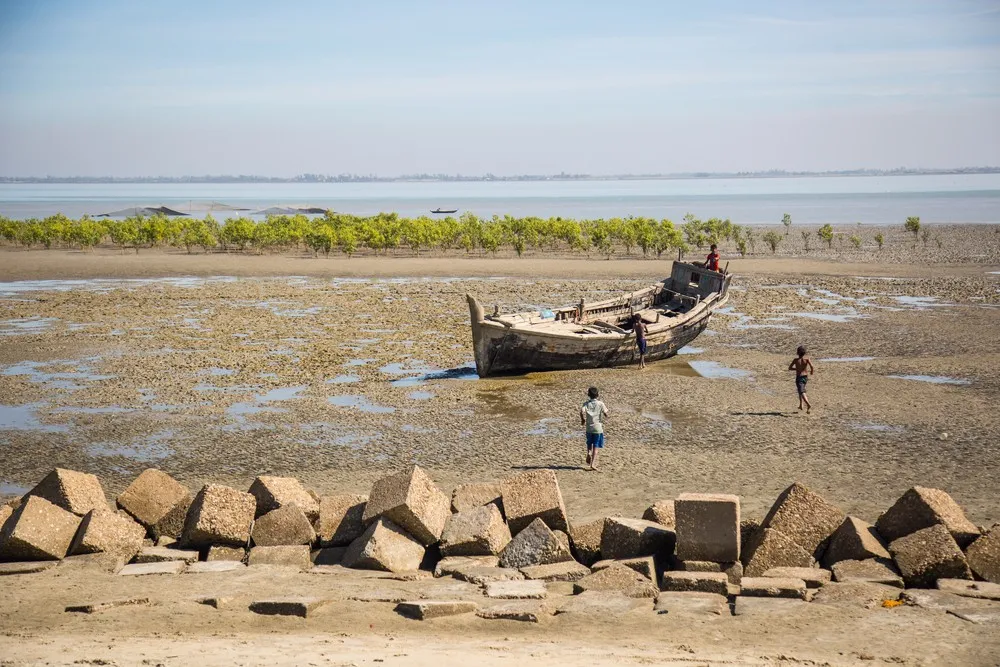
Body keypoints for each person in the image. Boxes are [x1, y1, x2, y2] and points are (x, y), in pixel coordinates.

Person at [580, 386, 609, 470]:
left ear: (588, 394)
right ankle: (592, 464)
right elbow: (606, 413)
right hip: (598, 428)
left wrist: (583, 420)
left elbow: (581, 411)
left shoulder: (586, 404)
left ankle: (589, 452)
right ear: (597, 395)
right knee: (596, 446)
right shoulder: (600, 403)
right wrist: (606, 415)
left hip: (589, 428)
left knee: (589, 443)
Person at [788, 345, 814, 413]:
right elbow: (812, 366)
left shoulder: (796, 360)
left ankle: (808, 404)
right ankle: (801, 405)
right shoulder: (807, 359)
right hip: (805, 377)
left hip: (799, 377)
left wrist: (796, 369)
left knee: (802, 391)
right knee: (800, 390)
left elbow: (790, 368)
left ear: (797, 353)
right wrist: (811, 371)